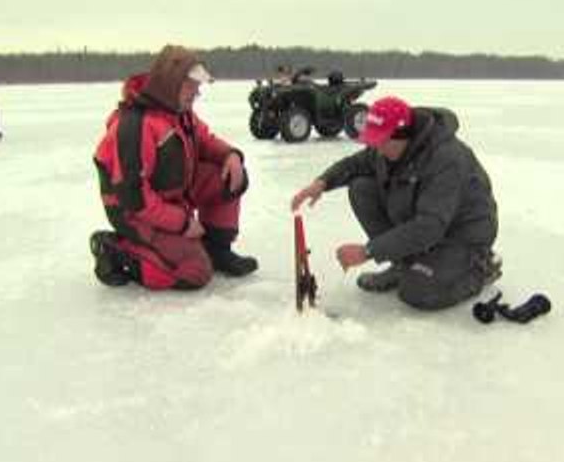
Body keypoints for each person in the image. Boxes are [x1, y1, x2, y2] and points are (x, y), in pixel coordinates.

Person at [290, 95, 500, 311]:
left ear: (402, 136)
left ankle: (480, 268)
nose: (377, 149)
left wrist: (368, 252)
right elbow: (357, 163)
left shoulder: (446, 159)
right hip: (426, 218)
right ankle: (404, 265)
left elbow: (429, 226)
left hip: (462, 234)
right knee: (362, 188)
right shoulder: (391, 146)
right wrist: (322, 183)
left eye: (381, 141)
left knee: (418, 291)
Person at [91, 44, 258, 290]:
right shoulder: (135, 125)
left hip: (170, 195)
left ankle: (217, 250)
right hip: (133, 212)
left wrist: (230, 155)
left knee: (231, 176)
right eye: (192, 86)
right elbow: (134, 199)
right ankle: (117, 250)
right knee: (196, 271)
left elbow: (205, 140)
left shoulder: (179, 111)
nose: (197, 93)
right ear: (172, 83)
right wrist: (182, 223)